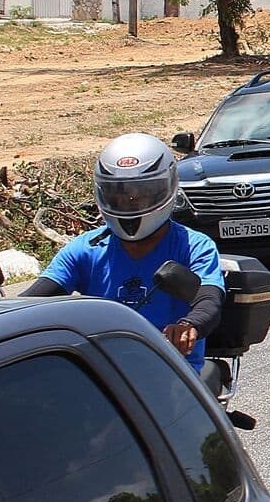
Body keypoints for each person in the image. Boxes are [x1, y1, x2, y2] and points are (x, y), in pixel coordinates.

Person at [26, 133, 226, 372]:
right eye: (118, 195)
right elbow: (35, 299)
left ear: (165, 188)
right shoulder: (85, 249)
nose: (129, 202)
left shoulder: (193, 246)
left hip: (174, 370)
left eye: (139, 194)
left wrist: (188, 325)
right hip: (106, 372)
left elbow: (209, 300)